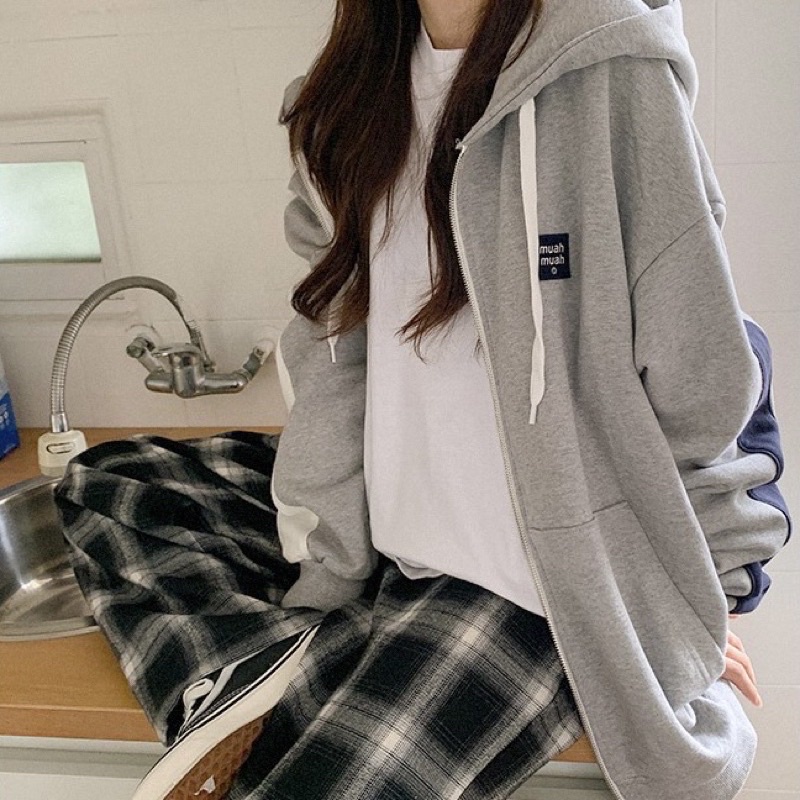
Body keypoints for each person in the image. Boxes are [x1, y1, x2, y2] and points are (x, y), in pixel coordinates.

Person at [55, 1, 791, 799]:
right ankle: (279, 668)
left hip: (541, 589)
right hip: (391, 540)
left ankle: (312, 674)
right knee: (110, 483)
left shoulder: (612, 69)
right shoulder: (346, 103)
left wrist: (712, 592)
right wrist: (327, 572)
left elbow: (708, 366)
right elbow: (336, 361)